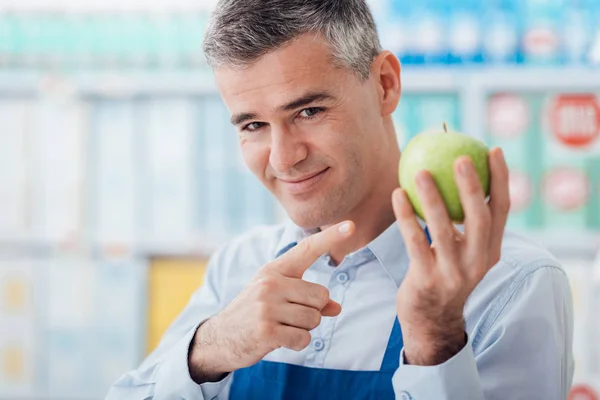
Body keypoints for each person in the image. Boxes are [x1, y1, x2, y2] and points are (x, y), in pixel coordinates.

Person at [106, 1, 574, 399]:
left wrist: (435, 340)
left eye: (309, 111)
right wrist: (211, 347)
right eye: (253, 126)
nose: (284, 158)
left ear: (385, 84)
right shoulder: (238, 266)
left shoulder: (510, 284)